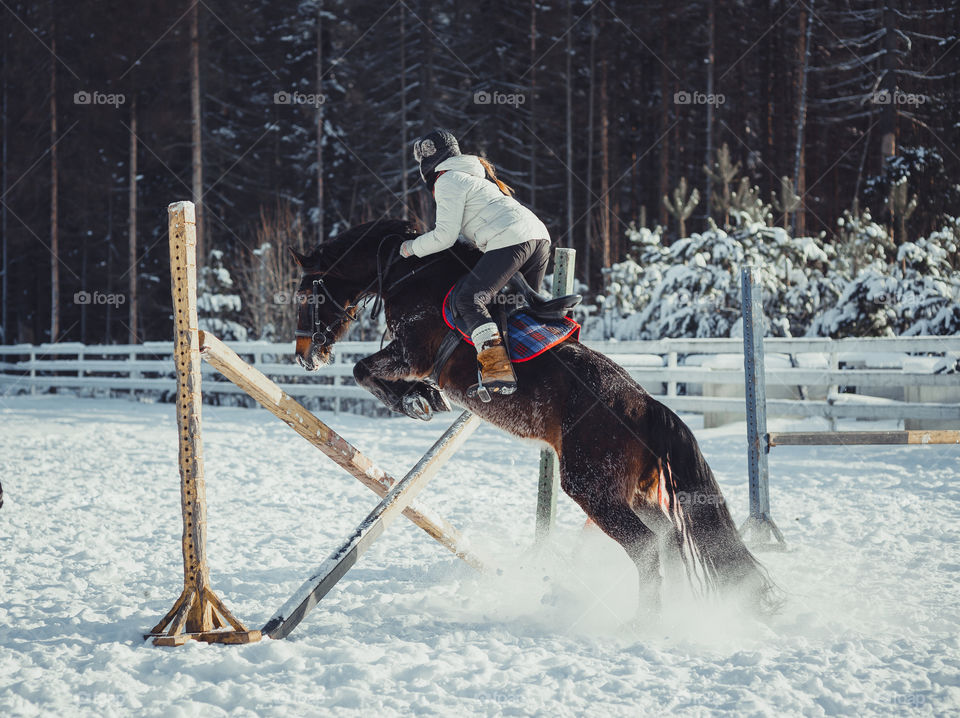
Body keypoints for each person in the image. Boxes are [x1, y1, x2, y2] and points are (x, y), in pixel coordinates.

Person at [400, 128, 550, 398]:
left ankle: (497, 371)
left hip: (512, 238)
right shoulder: (473, 177)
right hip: (538, 237)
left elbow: (444, 237)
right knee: (515, 310)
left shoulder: (447, 180)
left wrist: (410, 248)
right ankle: (531, 374)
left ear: (426, 161)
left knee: (468, 299)